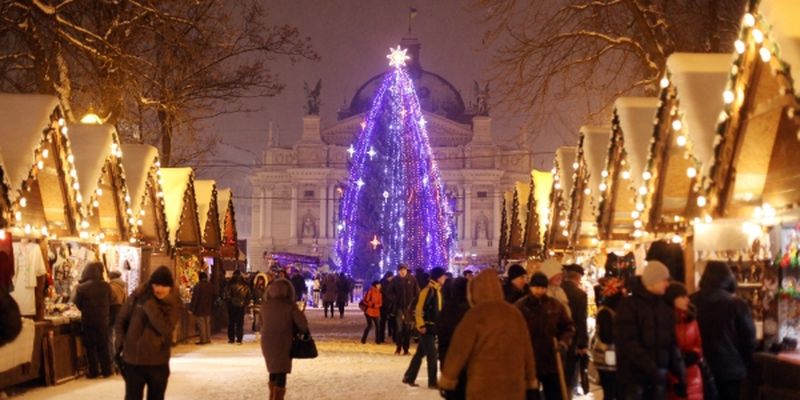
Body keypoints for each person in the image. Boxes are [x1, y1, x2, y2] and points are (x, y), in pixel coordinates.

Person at [439, 270, 538, 400]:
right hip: (513, 386)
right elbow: (527, 351)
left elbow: (459, 351)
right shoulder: (514, 314)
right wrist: (531, 382)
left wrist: (448, 380)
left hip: (483, 387)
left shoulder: (475, 315)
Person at [614, 261, 686, 400]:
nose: (667, 284)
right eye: (664, 280)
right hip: (634, 381)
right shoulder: (629, 306)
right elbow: (628, 342)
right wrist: (652, 369)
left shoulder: (664, 307)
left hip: (659, 380)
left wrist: (680, 373)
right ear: (653, 281)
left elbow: (672, 343)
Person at [690, 261, 756, 400]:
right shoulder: (737, 304)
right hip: (730, 370)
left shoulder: (691, 301)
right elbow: (749, 339)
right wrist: (743, 362)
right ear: (728, 278)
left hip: (699, 368)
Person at [116, 266, 182, 400]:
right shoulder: (138, 296)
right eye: (156, 284)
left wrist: (149, 305)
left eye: (163, 286)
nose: (159, 289)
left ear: (170, 287)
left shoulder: (174, 303)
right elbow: (121, 319)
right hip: (133, 360)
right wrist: (121, 342)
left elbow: (164, 327)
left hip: (157, 361)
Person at [517, 272, 575, 400]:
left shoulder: (555, 306)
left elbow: (568, 327)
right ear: (530, 287)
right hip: (529, 362)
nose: (539, 291)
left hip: (551, 361)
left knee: (554, 395)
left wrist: (563, 342)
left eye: (543, 288)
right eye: (536, 287)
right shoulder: (521, 307)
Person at [260, 278, 309, 400]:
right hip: (283, 341)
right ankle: (278, 398)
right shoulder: (290, 306)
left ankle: (272, 395)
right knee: (281, 370)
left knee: (273, 369)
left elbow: (261, 323)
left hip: (267, 341)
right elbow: (302, 324)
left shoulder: (265, 306)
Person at [403, 267, 446, 389]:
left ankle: (409, 377)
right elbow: (419, 309)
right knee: (432, 355)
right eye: (443, 276)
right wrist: (421, 325)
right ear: (438, 278)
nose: (445, 278)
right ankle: (432, 382)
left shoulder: (437, 291)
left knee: (420, 354)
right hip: (426, 328)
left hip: (432, 328)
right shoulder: (428, 291)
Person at [73, 261, 113, 378]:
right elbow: (109, 301)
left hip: (89, 320)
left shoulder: (81, 288)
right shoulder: (106, 286)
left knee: (90, 346)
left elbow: (77, 304)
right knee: (103, 345)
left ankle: (94, 371)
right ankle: (106, 370)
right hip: (103, 320)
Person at [664, 282, 703, 400]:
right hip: (673, 378)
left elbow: (699, 344)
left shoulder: (691, 319)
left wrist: (695, 354)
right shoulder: (665, 320)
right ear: (672, 298)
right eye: (683, 297)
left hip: (693, 376)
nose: (687, 300)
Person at [592, 277, 625, 400]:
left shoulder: (609, 310)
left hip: (610, 357)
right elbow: (607, 337)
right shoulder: (606, 312)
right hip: (607, 358)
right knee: (611, 391)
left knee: (612, 391)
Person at [562, 264, 589, 395]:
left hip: (558, 337)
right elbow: (581, 320)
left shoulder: (557, 290)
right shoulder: (580, 295)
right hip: (573, 338)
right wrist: (583, 344)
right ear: (578, 278)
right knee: (569, 373)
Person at [390, 263, 419, 355]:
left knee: (407, 329)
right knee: (399, 329)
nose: (402, 271)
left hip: (409, 308)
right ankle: (398, 348)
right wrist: (395, 299)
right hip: (399, 307)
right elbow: (389, 292)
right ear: (398, 271)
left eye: (404, 269)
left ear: (406, 270)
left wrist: (414, 303)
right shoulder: (395, 280)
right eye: (401, 270)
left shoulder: (412, 279)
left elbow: (417, 292)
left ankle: (406, 349)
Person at [224, 270, 251, 344]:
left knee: (231, 322)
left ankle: (231, 338)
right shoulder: (245, 285)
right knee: (240, 322)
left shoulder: (229, 284)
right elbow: (248, 296)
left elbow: (226, 295)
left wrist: (229, 302)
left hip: (231, 306)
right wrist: (245, 303)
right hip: (241, 306)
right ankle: (239, 338)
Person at [190, 271, 215, 345]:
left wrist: (192, 308)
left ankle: (203, 340)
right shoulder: (210, 286)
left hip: (200, 308)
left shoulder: (198, 286)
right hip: (208, 307)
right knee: (207, 324)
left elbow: (195, 298)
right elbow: (214, 296)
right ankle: (208, 338)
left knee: (201, 324)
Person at [378, 271, 395, 344]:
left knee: (384, 322)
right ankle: (382, 337)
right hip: (385, 305)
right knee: (384, 322)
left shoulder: (383, 282)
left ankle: (383, 337)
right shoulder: (384, 283)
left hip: (386, 304)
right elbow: (386, 293)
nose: (392, 278)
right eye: (391, 277)